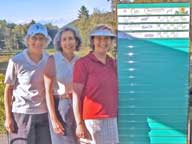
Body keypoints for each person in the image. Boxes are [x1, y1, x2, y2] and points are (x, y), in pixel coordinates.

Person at [4, 23, 52, 144]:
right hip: (21, 114)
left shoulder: (49, 59)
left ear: (46, 41)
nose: (38, 42)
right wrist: (8, 117)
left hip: (44, 114)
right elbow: (8, 90)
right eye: (34, 38)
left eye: (41, 38)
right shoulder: (16, 61)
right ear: (28, 40)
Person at [73, 25, 119, 144]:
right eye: (99, 38)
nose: (103, 42)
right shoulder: (83, 63)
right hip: (91, 121)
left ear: (111, 42)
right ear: (93, 40)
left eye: (107, 38)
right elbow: (76, 95)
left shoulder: (113, 63)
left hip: (111, 118)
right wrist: (79, 123)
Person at [44, 25, 81, 144]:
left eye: (71, 38)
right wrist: (54, 119)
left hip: (79, 106)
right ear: (60, 43)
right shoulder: (53, 60)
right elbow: (48, 92)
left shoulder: (81, 61)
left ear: (76, 41)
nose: (68, 42)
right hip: (61, 107)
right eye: (64, 39)